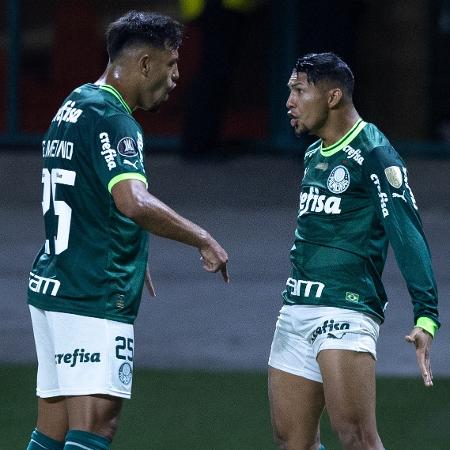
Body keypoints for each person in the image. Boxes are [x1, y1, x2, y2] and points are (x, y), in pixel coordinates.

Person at [26, 11, 229, 450]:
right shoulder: (116, 121)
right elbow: (132, 201)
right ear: (144, 64)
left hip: (54, 284)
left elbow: (85, 194)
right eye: (172, 63)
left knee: (52, 431)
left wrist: (129, 244)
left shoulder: (75, 103)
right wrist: (201, 236)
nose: (177, 76)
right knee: (96, 428)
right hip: (91, 294)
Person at [268, 52, 439, 450]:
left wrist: (426, 314)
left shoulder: (374, 153)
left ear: (332, 97)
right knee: (292, 442)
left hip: (344, 308)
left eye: (298, 90)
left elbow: (406, 231)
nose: (289, 102)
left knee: (356, 436)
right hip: (294, 309)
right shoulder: (313, 155)